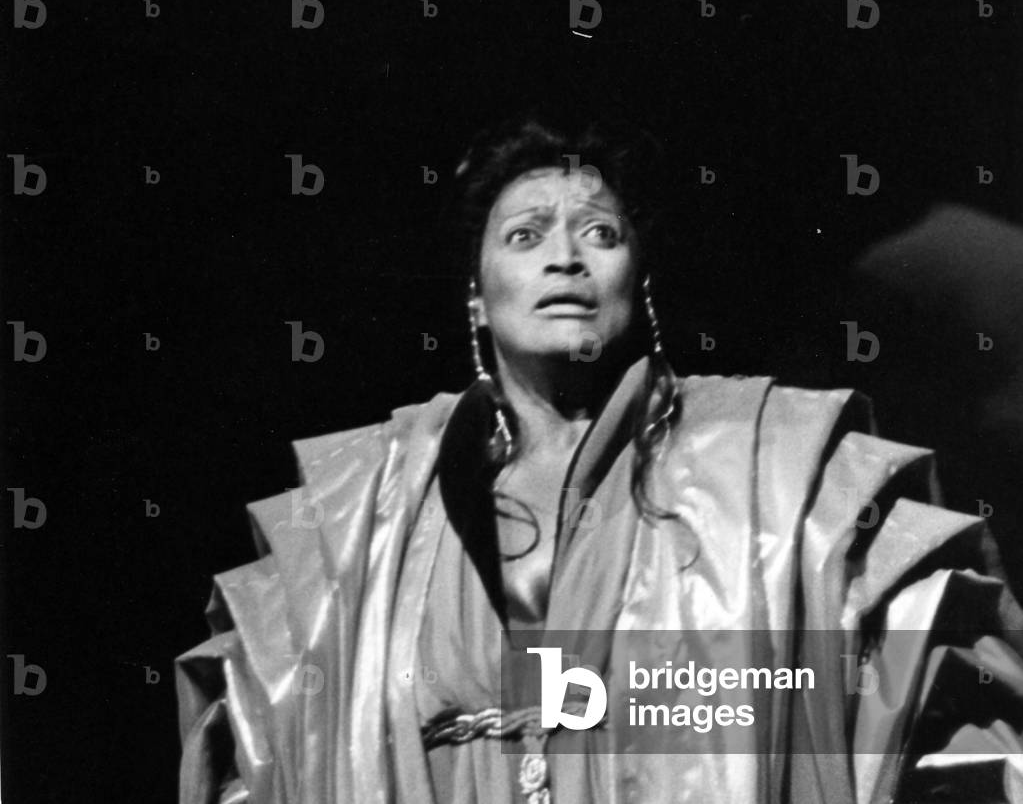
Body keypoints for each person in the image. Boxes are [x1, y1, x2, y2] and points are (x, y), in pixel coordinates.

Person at [176, 110, 1023, 804]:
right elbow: (265, 726)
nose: (565, 257)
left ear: (636, 280)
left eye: (598, 233)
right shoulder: (371, 502)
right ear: (475, 293)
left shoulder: (770, 461)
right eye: (524, 235)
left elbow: (935, 672)